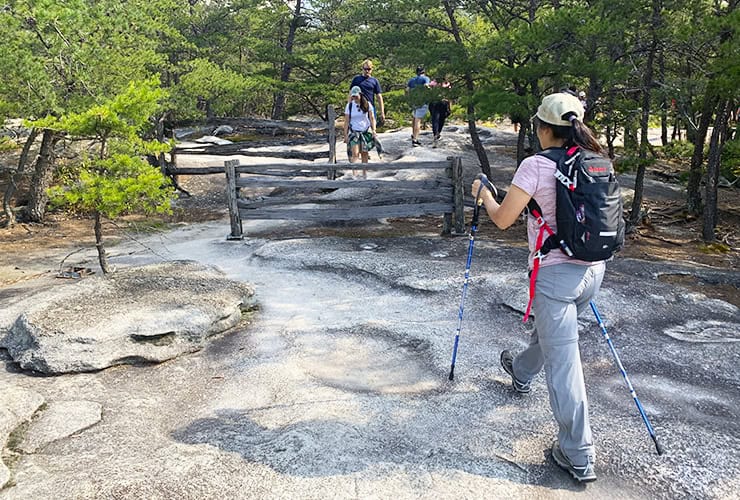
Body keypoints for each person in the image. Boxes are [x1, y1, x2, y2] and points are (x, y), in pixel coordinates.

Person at [471, 92, 606, 484]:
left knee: (565, 363)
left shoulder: (535, 165)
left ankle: (578, 453)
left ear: (544, 128)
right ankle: (522, 370)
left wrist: (485, 196)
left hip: (556, 278)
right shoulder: (594, 160)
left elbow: (502, 219)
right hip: (593, 270)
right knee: (551, 339)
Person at [344, 85, 377, 177]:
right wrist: (345, 135)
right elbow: (346, 121)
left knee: (364, 153)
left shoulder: (367, 104)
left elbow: (372, 118)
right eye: (352, 96)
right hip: (354, 132)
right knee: (355, 153)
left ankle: (364, 173)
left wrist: (374, 130)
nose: (354, 98)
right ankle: (355, 174)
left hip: (365, 131)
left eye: (356, 96)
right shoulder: (349, 106)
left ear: (360, 94)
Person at [350, 59, 386, 126]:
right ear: (362, 69)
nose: (367, 71)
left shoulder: (374, 81)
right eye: (365, 69)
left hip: (370, 107)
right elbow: (351, 94)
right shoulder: (356, 79)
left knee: (372, 127)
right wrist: (349, 106)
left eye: (369, 69)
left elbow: (379, 97)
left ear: (372, 69)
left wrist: (382, 112)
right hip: (358, 107)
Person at [407, 66, 430, 146]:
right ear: (423, 71)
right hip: (422, 101)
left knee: (414, 118)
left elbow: (407, 90)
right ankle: (415, 139)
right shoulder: (425, 79)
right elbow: (426, 86)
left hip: (414, 101)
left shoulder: (411, 80)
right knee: (418, 120)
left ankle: (413, 134)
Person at [428, 76, 451, 148]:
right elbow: (449, 95)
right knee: (442, 119)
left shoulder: (432, 83)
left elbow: (428, 91)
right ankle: (438, 132)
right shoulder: (447, 84)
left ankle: (435, 134)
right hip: (443, 102)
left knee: (435, 119)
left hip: (434, 102)